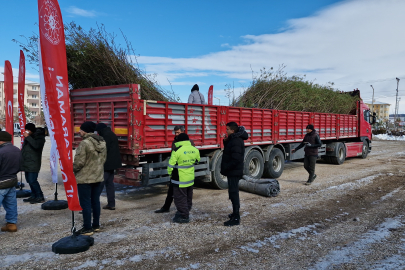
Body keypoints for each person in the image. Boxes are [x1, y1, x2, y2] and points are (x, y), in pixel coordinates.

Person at [73, 121, 107, 236]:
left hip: (85, 178)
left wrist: (73, 170)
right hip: (98, 177)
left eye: (81, 129)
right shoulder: (102, 142)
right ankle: (96, 225)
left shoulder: (85, 143)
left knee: (86, 203)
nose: (79, 131)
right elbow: (103, 160)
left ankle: (87, 228)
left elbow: (79, 162)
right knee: (95, 201)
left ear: (85, 131)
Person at [155, 126, 195, 214]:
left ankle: (184, 211)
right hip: (176, 171)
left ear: (183, 132)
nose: (176, 134)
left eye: (178, 132)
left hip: (183, 173)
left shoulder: (189, 142)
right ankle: (166, 207)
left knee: (184, 194)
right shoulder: (175, 141)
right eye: (175, 132)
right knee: (171, 190)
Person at [167, 133, 200, 223]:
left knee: (180, 198)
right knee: (188, 197)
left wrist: (170, 175)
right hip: (190, 178)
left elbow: (170, 166)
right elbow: (197, 161)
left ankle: (184, 216)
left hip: (179, 179)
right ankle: (186, 210)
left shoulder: (177, 151)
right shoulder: (195, 149)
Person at [220, 122, 248, 226]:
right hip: (233, 170)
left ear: (232, 130)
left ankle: (236, 217)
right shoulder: (233, 139)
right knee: (232, 193)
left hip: (233, 171)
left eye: (227, 129)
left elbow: (236, 159)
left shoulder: (236, 140)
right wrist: (226, 141)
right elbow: (229, 151)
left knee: (234, 193)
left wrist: (226, 167)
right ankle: (234, 213)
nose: (225, 131)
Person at [95, 123, 122, 211]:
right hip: (112, 164)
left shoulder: (105, 136)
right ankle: (111, 204)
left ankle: (92, 207)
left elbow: (103, 150)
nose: (97, 133)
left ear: (100, 130)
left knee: (99, 185)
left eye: (98, 131)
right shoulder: (111, 134)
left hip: (106, 164)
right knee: (110, 184)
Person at [0, 131, 22, 232]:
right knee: (11, 204)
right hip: (12, 180)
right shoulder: (17, 149)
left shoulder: (1, 151)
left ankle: (11, 223)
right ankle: (11, 224)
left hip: (1, 181)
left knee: (10, 203)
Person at [21, 123, 46, 204]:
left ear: (32, 130)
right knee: (28, 180)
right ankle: (33, 195)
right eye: (26, 130)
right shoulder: (29, 137)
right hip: (27, 162)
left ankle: (40, 196)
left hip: (34, 162)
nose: (27, 131)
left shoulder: (40, 137)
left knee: (33, 180)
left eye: (28, 130)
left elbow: (36, 146)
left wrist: (28, 137)